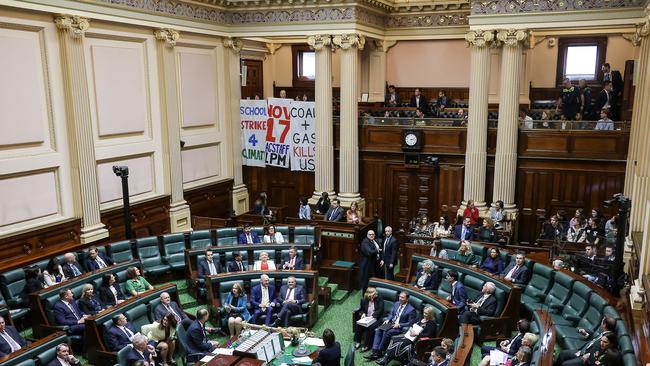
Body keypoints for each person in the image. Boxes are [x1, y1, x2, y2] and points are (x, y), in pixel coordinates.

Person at [364, 291, 416, 361]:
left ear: (407, 299)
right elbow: (391, 313)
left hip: (399, 327)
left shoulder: (411, 310)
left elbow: (410, 323)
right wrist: (388, 319)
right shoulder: (397, 303)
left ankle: (379, 352)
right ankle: (374, 351)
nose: (400, 298)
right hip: (391, 323)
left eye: (402, 297)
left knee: (387, 332)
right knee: (378, 330)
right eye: (399, 296)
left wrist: (400, 325)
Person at [354, 287, 384, 352]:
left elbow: (380, 309)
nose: (375, 295)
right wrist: (363, 314)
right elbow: (361, 309)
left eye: (375, 294)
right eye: (374, 294)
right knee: (359, 323)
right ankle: (358, 341)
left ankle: (367, 345)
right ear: (369, 295)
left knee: (371, 327)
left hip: (377, 318)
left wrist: (373, 316)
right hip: (367, 317)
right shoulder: (364, 300)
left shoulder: (379, 298)